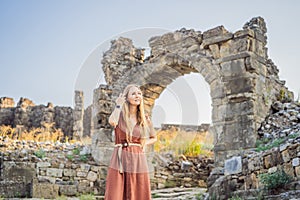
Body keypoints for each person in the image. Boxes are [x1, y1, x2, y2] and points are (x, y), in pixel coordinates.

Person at [104, 84, 157, 200]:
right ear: (126, 97)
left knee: (138, 191)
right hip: (120, 156)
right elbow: (112, 121)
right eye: (133, 93)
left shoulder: (144, 118)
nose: (137, 96)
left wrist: (144, 143)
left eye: (139, 93)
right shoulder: (120, 115)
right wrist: (118, 105)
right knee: (115, 192)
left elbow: (154, 137)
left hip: (138, 157)